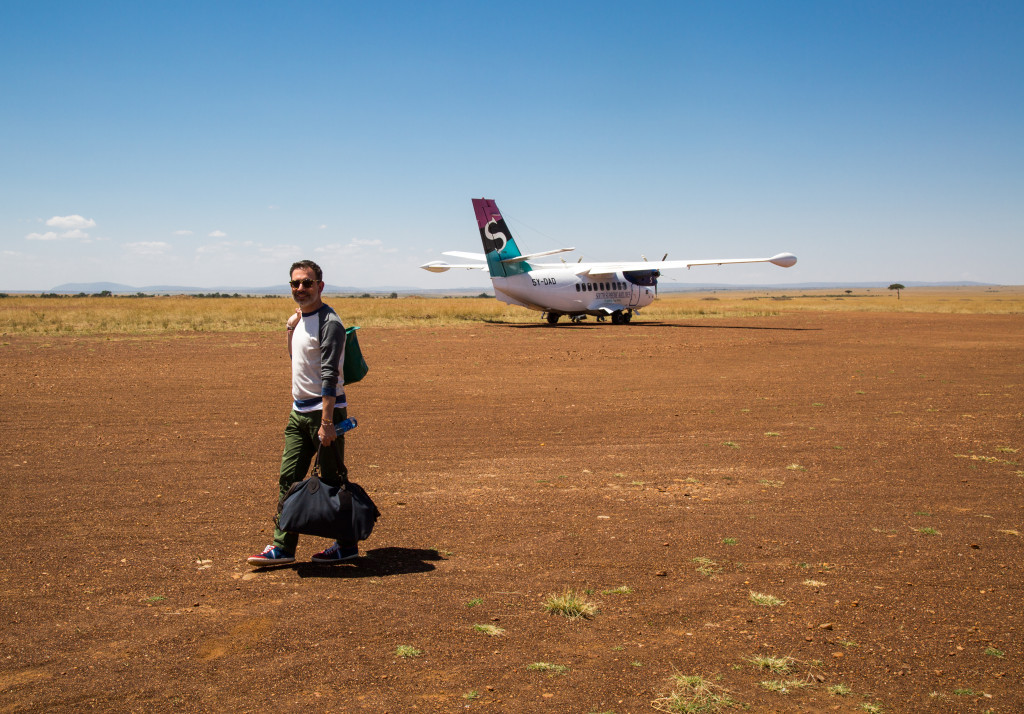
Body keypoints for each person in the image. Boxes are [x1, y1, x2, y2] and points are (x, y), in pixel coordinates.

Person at [248, 260, 358, 565]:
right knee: (289, 477)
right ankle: (282, 548)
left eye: (307, 283)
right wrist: (289, 328)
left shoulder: (330, 323)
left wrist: (326, 424)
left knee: (333, 481)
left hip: (326, 413)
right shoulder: (299, 320)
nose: (300, 288)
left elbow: (329, 377)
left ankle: (346, 545)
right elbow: (295, 357)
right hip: (298, 413)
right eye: (295, 283)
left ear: (320, 286)